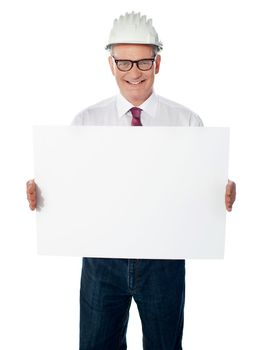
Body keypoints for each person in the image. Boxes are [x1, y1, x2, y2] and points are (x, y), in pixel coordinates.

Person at [26, 12, 236, 350]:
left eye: (143, 62)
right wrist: (44, 194)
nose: (134, 72)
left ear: (158, 63)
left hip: (163, 261)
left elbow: (202, 192)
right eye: (124, 62)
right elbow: (72, 189)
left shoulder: (187, 122)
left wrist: (221, 193)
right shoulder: (86, 122)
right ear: (111, 65)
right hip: (101, 261)